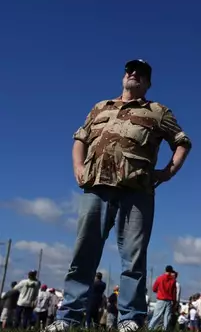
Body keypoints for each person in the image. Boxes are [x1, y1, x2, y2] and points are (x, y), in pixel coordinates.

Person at [46, 59, 192, 332]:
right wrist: (78, 166)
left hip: (137, 191)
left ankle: (130, 319)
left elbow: (182, 142)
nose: (133, 74)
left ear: (148, 83)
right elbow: (81, 138)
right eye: (130, 70)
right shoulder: (101, 107)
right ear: (124, 76)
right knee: (84, 253)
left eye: (141, 73)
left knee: (133, 258)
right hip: (96, 187)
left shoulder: (158, 111)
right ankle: (67, 317)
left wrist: (168, 172)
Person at [148, 266, 178, 330]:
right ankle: (165, 330)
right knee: (167, 317)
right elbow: (174, 293)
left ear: (165, 270)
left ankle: (150, 328)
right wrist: (174, 302)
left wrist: (159, 291)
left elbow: (154, 289)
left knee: (156, 316)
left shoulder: (160, 278)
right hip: (169, 301)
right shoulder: (173, 280)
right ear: (171, 271)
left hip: (161, 299)